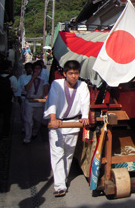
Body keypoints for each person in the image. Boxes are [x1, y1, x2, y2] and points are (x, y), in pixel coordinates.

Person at [44, 60, 90, 197]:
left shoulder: (82, 85)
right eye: (70, 73)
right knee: (57, 154)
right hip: (58, 124)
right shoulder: (57, 84)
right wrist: (53, 119)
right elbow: (52, 100)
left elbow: (85, 101)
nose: (73, 76)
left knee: (68, 155)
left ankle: (62, 179)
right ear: (64, 74)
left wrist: (85, 116)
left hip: (73, 124)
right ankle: (59, 186)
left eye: (76, 73)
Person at [24, 61, 49, 144]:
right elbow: (27, 88)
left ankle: (34, 132)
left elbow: (46, 90)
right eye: (35, 68)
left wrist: (46, 95)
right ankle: (27, 137)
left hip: (39, 102)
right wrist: (33, 78)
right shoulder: (27, 78)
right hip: (29, 101)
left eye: (39, 69)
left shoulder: (43, 80)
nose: (37, 70)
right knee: (28, 120)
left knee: (37, 120)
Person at [0, 60, 19, 139]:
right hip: (8, 101)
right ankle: (5, 134)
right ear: (9, 67)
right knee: (7, 117)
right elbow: (15, 89)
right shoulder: (12, 78)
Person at [18, 63, 33, 132]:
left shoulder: (34, 77)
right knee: (23, 114)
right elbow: (18, 87)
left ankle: (31, 129)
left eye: (30, 68)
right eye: (28, 68)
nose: (29, 69)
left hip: (32, 98)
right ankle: (24, 127)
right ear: (25, 69)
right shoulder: (22, 77)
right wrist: (19, 96)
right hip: (23, 97)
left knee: (30, 116)